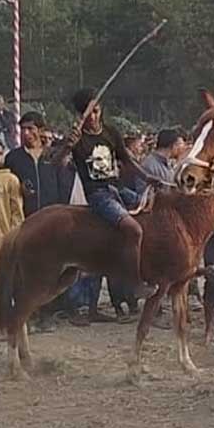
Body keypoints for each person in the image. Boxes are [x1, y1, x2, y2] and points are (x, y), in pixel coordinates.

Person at [61, 88, 153, 300]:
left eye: (96, 111)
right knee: (134, 230)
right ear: (80, 115)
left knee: (153, 210)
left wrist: (147, 177)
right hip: (98, 194)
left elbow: (127, 160)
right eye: (88, 113)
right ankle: (135, 283)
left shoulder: (111, 132)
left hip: (117, 189)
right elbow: (58, 163)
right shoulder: (77, 138)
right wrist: (66, 148)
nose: (93, 117)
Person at [5, 111, 70, 217]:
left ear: (41, 131)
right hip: (24, 217)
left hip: (52, 216)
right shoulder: (12, 157)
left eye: (30, 128)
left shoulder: (53, 155)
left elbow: (64, 185)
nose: (26, 133)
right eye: (23, 129)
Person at [136, 128, 185, 193]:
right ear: (173, 145)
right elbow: (142, 193)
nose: (182, 149)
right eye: (180, 144)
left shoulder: (167, 164)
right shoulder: (149, 165)